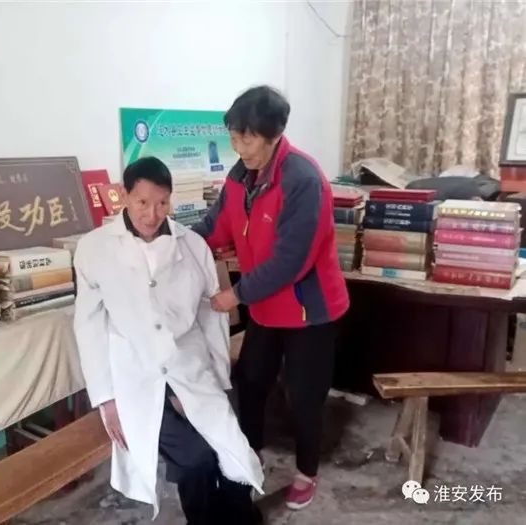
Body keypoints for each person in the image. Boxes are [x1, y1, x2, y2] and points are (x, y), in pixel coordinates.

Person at [72, 156, 264, 525]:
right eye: (142, 202)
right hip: (137, 375)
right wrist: (106, 400)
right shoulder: (94, 249)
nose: (152, 214)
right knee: (195, 458)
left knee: (231, 444)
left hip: (189, 364)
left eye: (162, 203)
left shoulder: (191, 245)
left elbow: (209, 315)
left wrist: (218, 375)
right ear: (124, 196)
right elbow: (89, 326)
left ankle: (241, 517)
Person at [192, 85, 350, 510]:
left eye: (248, 139)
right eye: (234, 138)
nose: (240, 148)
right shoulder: (239, 175)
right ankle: (250, 455)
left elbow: (290, 261)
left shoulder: (303, 179)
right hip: (265, 309)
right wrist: (176, 243)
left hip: (308, 311)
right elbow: (216, 224)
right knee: (251, 382)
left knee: (304, 396)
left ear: (275, 134)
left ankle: (307, 472)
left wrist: (236, 295)